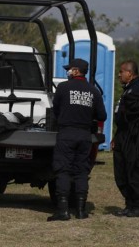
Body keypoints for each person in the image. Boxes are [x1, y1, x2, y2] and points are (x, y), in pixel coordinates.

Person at [47, 58, 107, 221]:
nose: (68, 72)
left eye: (69, 69)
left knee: (63, 171)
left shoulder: (63, 87)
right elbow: (102, 115)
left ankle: (63, 211)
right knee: (81, 171)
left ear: (75, 71)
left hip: (66, 134)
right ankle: (81, 210)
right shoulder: (93, 91)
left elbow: (56, 109)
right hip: (84, 135)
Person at [112, 60, 139, 218]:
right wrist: (116, 137)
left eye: (121, 72)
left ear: (129, 73)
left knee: (135, 171)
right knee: (121, 171)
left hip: (136, 136)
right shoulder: (127, 89)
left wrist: (134, 106)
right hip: (123, 135)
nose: (119, 75)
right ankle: (129, 204)